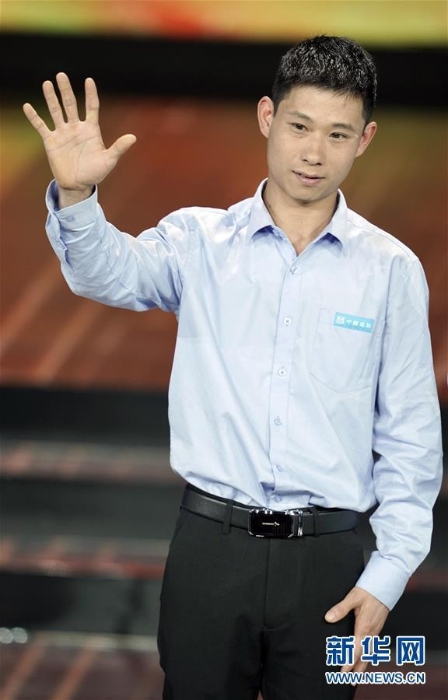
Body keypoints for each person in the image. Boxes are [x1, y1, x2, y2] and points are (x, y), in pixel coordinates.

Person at [23, 34, 442, 700]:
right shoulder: (199, 241)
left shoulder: (391, 270)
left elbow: (412, 439)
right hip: (210, 552)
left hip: (331, 561)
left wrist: (387, 575)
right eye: (300, 126)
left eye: (337, 134)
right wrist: (77, 195)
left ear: (365, 140)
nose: (314, 152)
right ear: (267, 117)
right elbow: (107, 272)